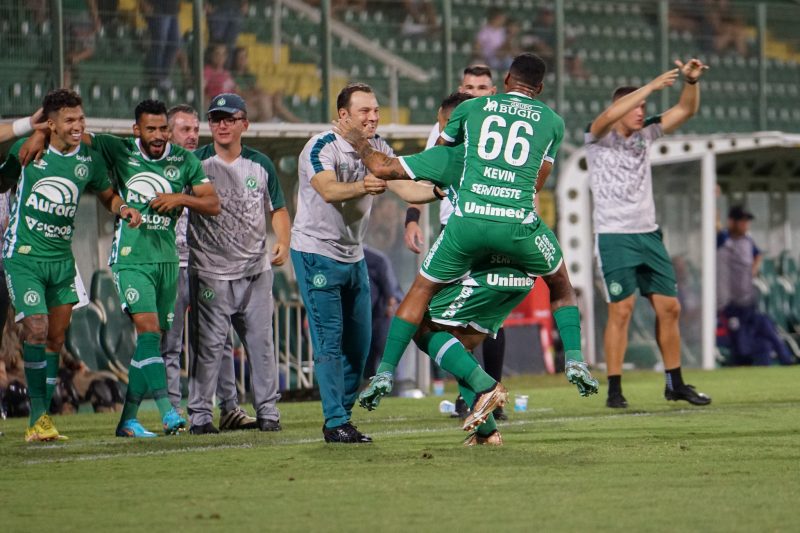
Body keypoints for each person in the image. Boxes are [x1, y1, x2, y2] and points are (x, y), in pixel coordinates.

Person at [358, 53, 596, 432]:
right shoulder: (552, 122)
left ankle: (389, 374)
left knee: (423, 312)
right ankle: (572, 362)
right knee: (560, 285)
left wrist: (357, 137)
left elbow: (398, 165)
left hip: (468, 233)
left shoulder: (470, 119)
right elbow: (537, 182)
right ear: (541, 87)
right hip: (520, 244)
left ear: (504, 81)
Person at [292, 83, 444, 444]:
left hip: (353, 254)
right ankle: (335, 420)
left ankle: (340, 416)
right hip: (316, 253)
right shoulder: (318, 147)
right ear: (343, 115)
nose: (373, 117)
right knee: (329, 340)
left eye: (375, 110)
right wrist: (364, 185)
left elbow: (406, 189)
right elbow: (328, 190)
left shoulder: (377, 149)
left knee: (360, 345)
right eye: (364, 111)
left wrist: (440, 191)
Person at [0, 89, 142, 442]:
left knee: (55, 338)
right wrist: (15, 158)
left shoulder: (89, 160)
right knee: (35, 326)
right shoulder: (31, 151)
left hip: (62, 260)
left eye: (81, 118)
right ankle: (36, 417)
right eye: (70, 120)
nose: (78, 125)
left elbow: (106, 194)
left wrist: (122, 209)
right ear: (51, 124)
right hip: (24, 256)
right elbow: (2, 181)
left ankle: (43, 418)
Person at [586, 59, 712, 408]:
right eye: (636, 107)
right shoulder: (597, 137)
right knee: (621, 311)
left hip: (648, 234)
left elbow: (686, 109)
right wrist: (650, 87)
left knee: (669, 308)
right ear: (619, 108)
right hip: (614, 235)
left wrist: (690, 82)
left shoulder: (647, 132)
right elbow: (605, 119)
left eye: (644, 107)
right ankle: (614, 389)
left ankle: (675, 383)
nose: (642, 112)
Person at [188, 93, 289, 434]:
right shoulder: (195, 163)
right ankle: (200, 416)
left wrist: (283, 242)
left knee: (260, 344)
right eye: (216, 119)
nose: (222, 125)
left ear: (244, 123)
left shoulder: (260, 164)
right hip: (209, 272)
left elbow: (278, 209)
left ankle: (268, 412)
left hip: (254, 272)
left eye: (229, 118)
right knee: (209, 348)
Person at [407, 87, 510, 420]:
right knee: (474, 321)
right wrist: (413, 216)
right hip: (496, 236)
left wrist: (369, 155)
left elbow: (412, 173)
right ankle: (482, 399)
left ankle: (482, 390)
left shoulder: (469, 144)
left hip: (464, 238)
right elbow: (421, 179)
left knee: (428, 318)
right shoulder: (492, 136)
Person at [162, 105, 248, 429]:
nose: (193, 135)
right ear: (168, 133)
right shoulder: (158, 169)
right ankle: (172, 413)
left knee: (219, 340)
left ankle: (229, 408)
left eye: (196, 129)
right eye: (185, 129)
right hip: (171, 266)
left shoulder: (207, 167)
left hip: (206, 266)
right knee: (170, 344)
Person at [717, 206, 794, 366]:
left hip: (748, 302)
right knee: (743, 347)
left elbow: (758, 254)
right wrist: (713, 196)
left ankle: (787, 361)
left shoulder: (747, 240)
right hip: (731, 304)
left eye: (747, 222)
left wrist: (753, 269)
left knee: (767, 329)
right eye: (742, 221)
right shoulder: (724, 239)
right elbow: (714, 223)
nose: (746, 225)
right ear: (732, 222)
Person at [363, 245, 403, 379]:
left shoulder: (377, 259)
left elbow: (391, 291)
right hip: (364, 319)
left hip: (382, 316)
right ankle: (366, 391)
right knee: (366, 359)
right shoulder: (345, 257)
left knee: (387, 358)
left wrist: (391, 303)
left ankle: (394, 389)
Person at [140, 0, 181, 89]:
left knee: (174, 44)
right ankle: (156, 77)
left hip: (172, 10)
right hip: (157, 8)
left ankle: (164, 76)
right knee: (159, 44)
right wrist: (144, 3)